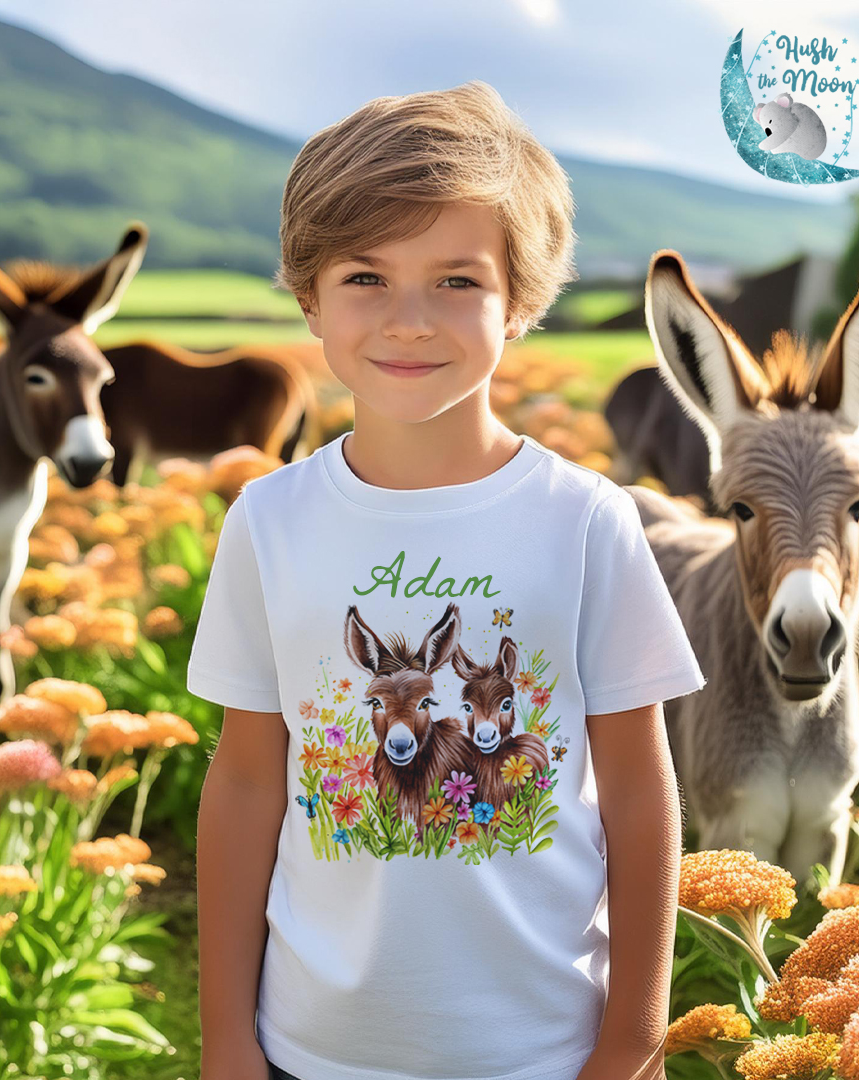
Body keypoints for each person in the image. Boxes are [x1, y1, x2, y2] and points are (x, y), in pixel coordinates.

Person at [189, 79, 706, 1080]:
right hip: (313, 1049)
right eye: (366, 279)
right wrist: (225, 1041)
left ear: (520, 304)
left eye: (458, 282)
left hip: (541, 1052)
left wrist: (632, 1042)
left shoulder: (589, 521)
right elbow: (248, 779)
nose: (410, 321)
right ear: (309, 299)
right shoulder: (269, 522)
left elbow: (640, 792)